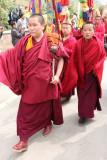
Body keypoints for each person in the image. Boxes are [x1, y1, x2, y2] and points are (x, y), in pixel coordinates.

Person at [0, 14, 69, 152]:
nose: (30, 28)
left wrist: (57, 75)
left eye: (34, 25)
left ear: (43, 26)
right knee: (25, 113)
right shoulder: (25, 41)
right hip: (30, 84)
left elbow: (61, 58)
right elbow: (11, 55)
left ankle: (47, 123)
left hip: (47, 83)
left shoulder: (52, 40)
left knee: (45, 108)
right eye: (29, 25)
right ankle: (23, 140)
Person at [61, 21, 106, 125]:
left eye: (90, 30)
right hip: (81, 74)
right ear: (81, 31)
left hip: (92, 74)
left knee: (91, 96)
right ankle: (82, 115)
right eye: (85, 30)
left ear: (94, 31)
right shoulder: (78, 43)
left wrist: (97, 68)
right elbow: (74, 59)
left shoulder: (98, 43)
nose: (87, 32)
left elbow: (102, 56)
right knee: (82, 96)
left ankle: (87, 114)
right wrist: (74, 72)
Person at [61, 13, 76, 101]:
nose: (65, 30)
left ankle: (67, 94)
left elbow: (74, 53)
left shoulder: (73, 40)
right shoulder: (60, 38)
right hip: (60, 62)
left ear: (71, 29)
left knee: (67, 79)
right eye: (63, 28)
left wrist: (63, 50)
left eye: (67, 28)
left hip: (68, 63)